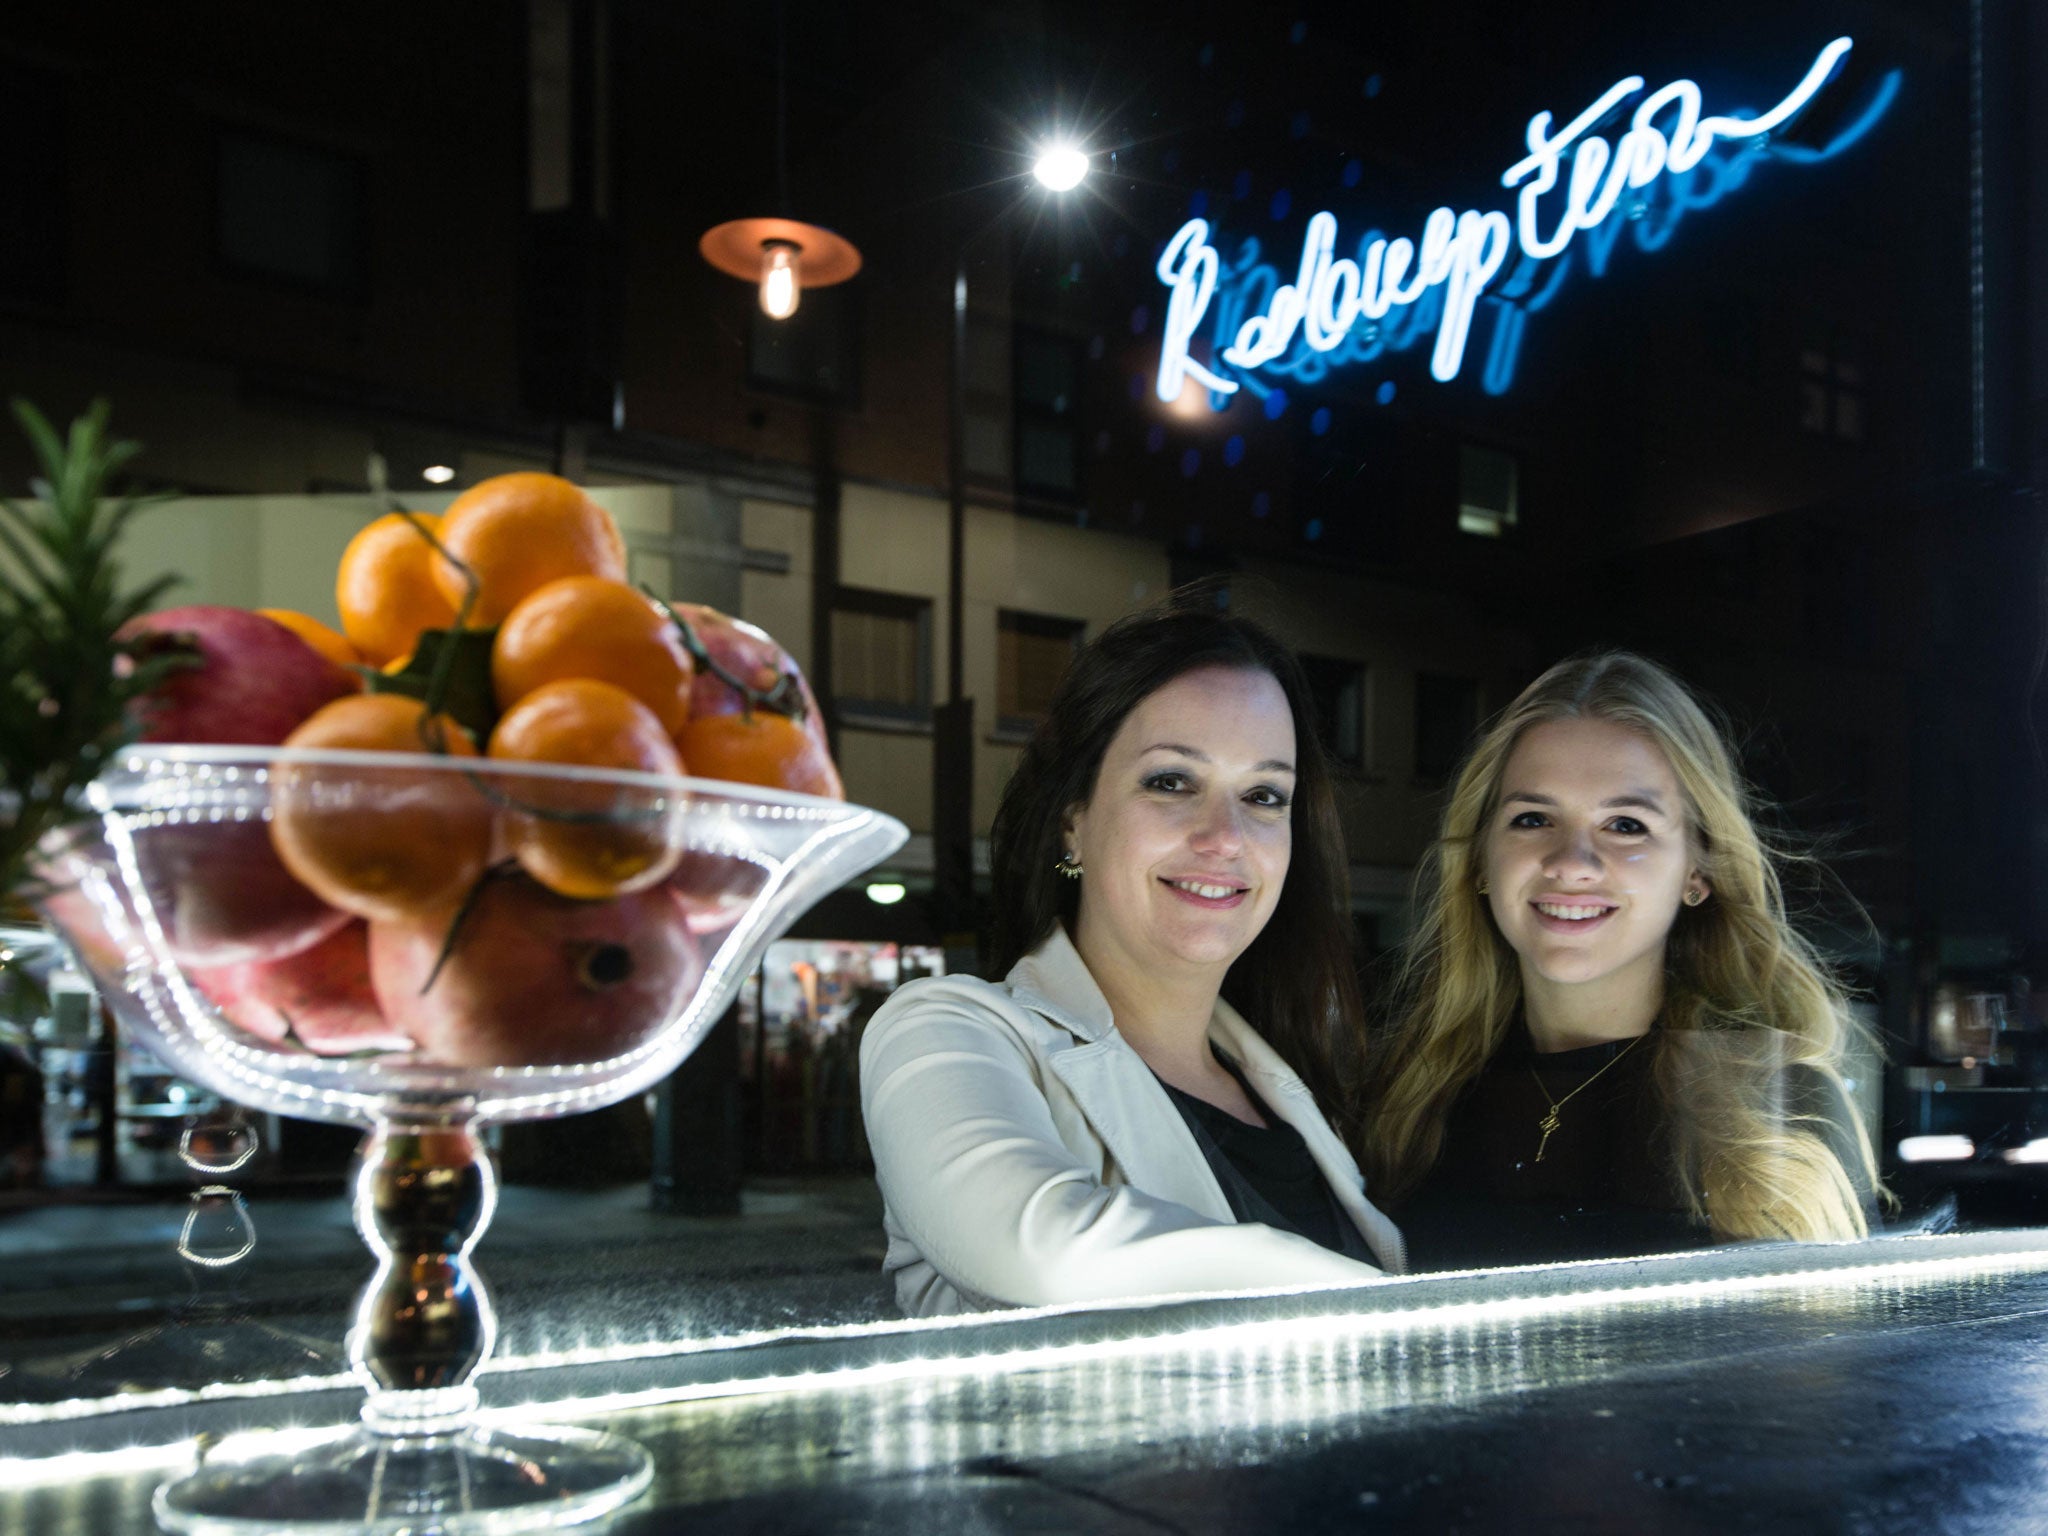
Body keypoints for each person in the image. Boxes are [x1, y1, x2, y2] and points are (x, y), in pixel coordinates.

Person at [859, 591, 1404, 1316]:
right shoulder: (946, 1029)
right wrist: (1413, 1312)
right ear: (1072, 822)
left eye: (1265, 795)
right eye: (1171, 781)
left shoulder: (1298, 1086)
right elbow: (1044, 1257)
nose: (1226, 837)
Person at [1360, 651, 1880, 1269]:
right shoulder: (1406, 1098)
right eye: (1532, 818)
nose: (1572, 861)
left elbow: (1825, 1356)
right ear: (1479, 859)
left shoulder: (1774, 1105)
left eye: (1626, 825)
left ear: (1697, 870)